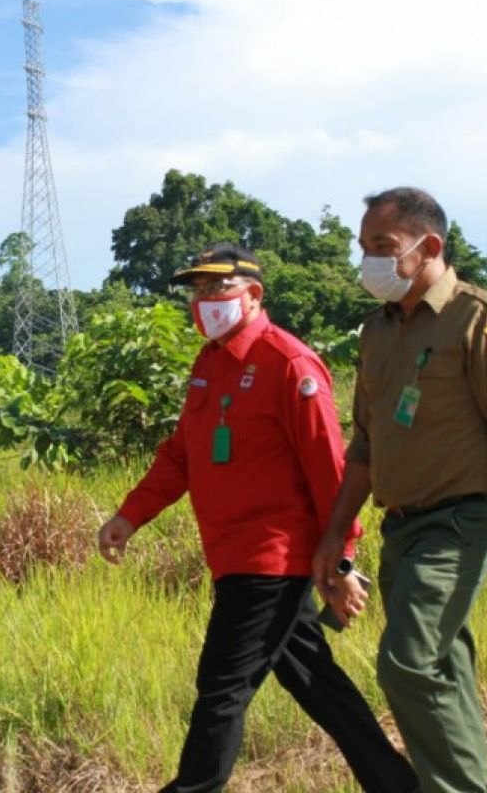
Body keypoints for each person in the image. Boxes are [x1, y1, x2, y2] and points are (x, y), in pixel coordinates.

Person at [96, 243, 418, 793]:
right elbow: (182, 455)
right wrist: (131, 515)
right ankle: (398, 785)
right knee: (318, 683)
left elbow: (330, 468)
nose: (205, 300)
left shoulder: (289, 364)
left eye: (217, 288)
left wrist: (341, 558)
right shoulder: (210, 363)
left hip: (274, 556)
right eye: (197, 290)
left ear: (253, 294)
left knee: (221, 687)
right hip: (233, 555)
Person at [312, 187, 487, 793]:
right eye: (363, 246)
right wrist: (335, 533)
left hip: (460, 522)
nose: (369, 260)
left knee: (407, 663)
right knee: (444, 666)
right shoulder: (377, 331)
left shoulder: (480, 320)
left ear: (430, 247)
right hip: (402, 528)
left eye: (384, 247)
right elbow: (364, 447)